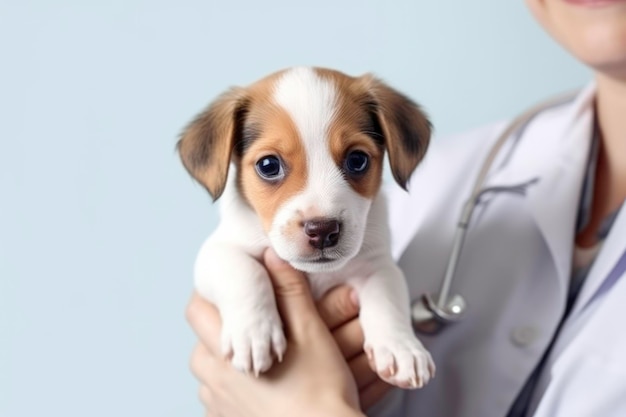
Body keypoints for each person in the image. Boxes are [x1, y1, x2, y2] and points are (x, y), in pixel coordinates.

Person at [185, 1, 626, 416]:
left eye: (355, 161)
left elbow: (376, 271)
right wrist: (250, 307)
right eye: (270, 166)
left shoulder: (399, 188)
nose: (319, 212)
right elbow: (218, 261)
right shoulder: (454, 176)